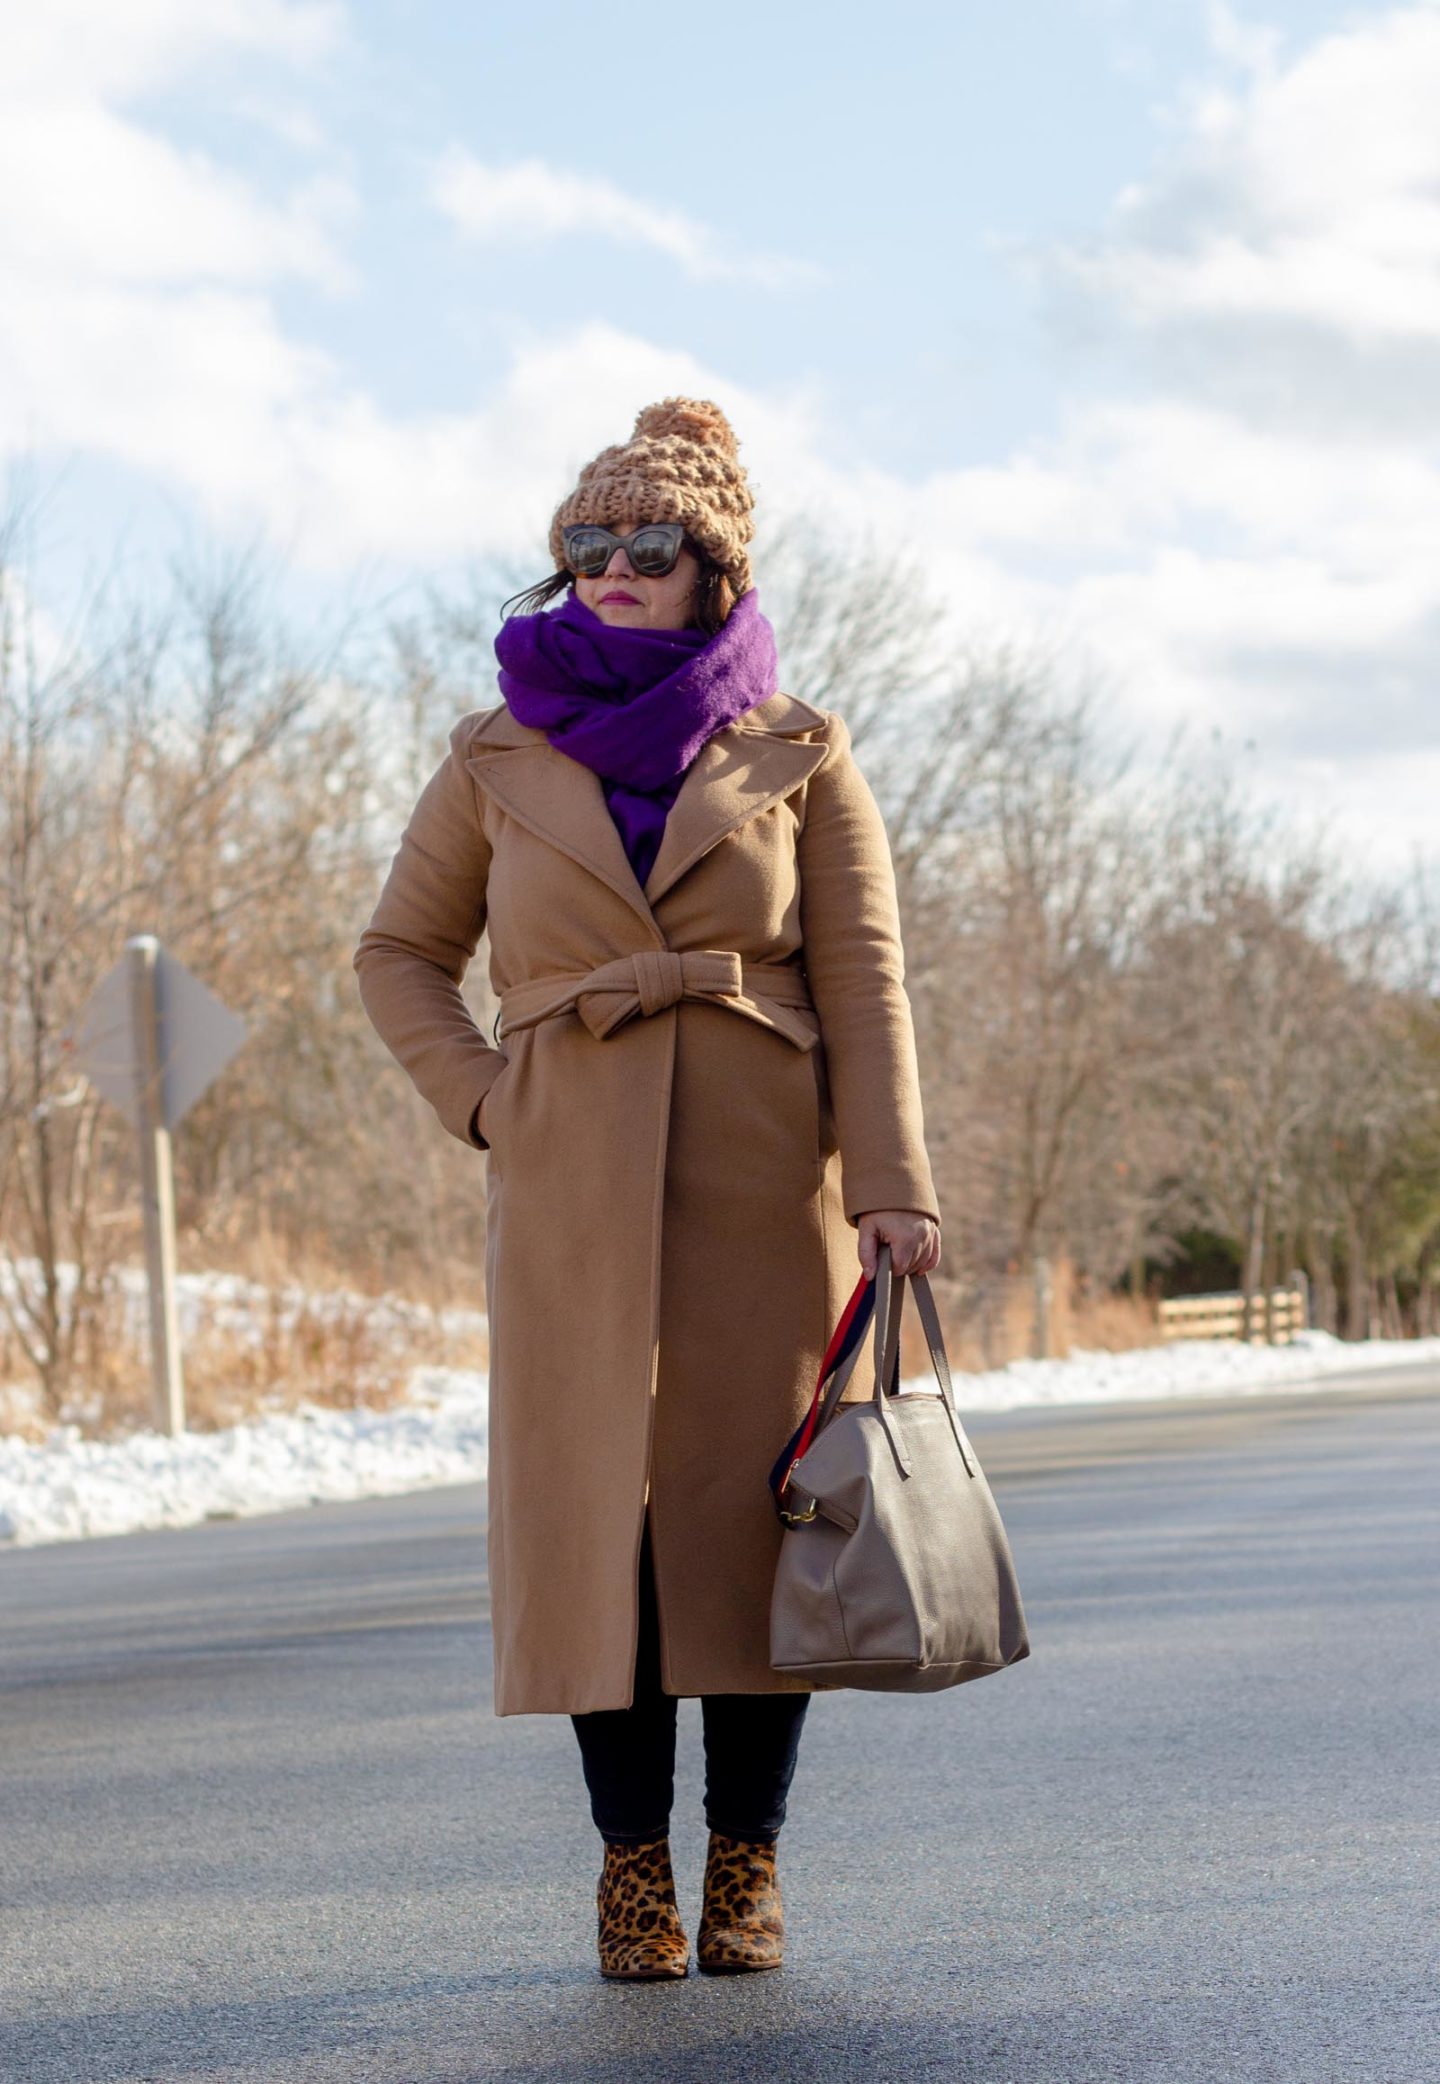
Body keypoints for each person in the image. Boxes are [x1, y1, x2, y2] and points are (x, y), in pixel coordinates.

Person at [353, 397, 941, 1981]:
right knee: (597, 1521)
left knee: (754, 1523)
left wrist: (892, 1182)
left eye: (650, 547)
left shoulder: (800, 751)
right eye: (587, 546)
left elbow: (866, 981)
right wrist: (489, 1101)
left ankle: (745, 1862)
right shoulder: (493, 751)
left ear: (712, 572)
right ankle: (632, 1874)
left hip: (766, 1183)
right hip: (568, 1192)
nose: (613, 569)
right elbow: (399, 955)